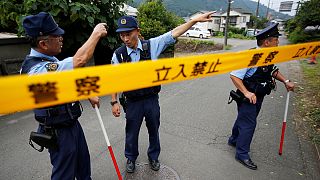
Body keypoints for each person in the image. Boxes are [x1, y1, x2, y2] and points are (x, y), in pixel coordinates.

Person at [110, 13, 213, 173]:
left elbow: (173, 33)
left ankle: (153, 156)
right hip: (132, 101)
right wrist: (114, 101)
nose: (125, 39)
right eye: (122, 35)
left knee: (153, 129)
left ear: (137, 31)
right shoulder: (119, 54)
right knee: (131, 131)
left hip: (151, 99)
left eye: (128, 34)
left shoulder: (151, 46)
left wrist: (193, 21)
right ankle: (130, 158)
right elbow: (114, 79)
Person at [20, 12, 107, 179]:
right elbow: (80, 60)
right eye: (56, 36)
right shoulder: (36, 70)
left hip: (71, 123)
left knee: (83, 167)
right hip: (59, 131)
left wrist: (87, 93)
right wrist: (96, 34)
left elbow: (66, 82)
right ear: (43, 44)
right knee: (64, 175)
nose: (61, 38)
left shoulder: (50, 60)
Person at [227, 23, 295, 170]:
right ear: (267, 42)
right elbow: (234, 75)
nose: (278, 42)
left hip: (259, 95)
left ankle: (234, 140)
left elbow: (272, 71)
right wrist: (246, 92)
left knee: (244, 119)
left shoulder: (269, 56)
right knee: (249, 123)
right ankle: (242, 154)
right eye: (276, 40)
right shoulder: (251, 57)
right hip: (248, 97)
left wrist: (286, 81)